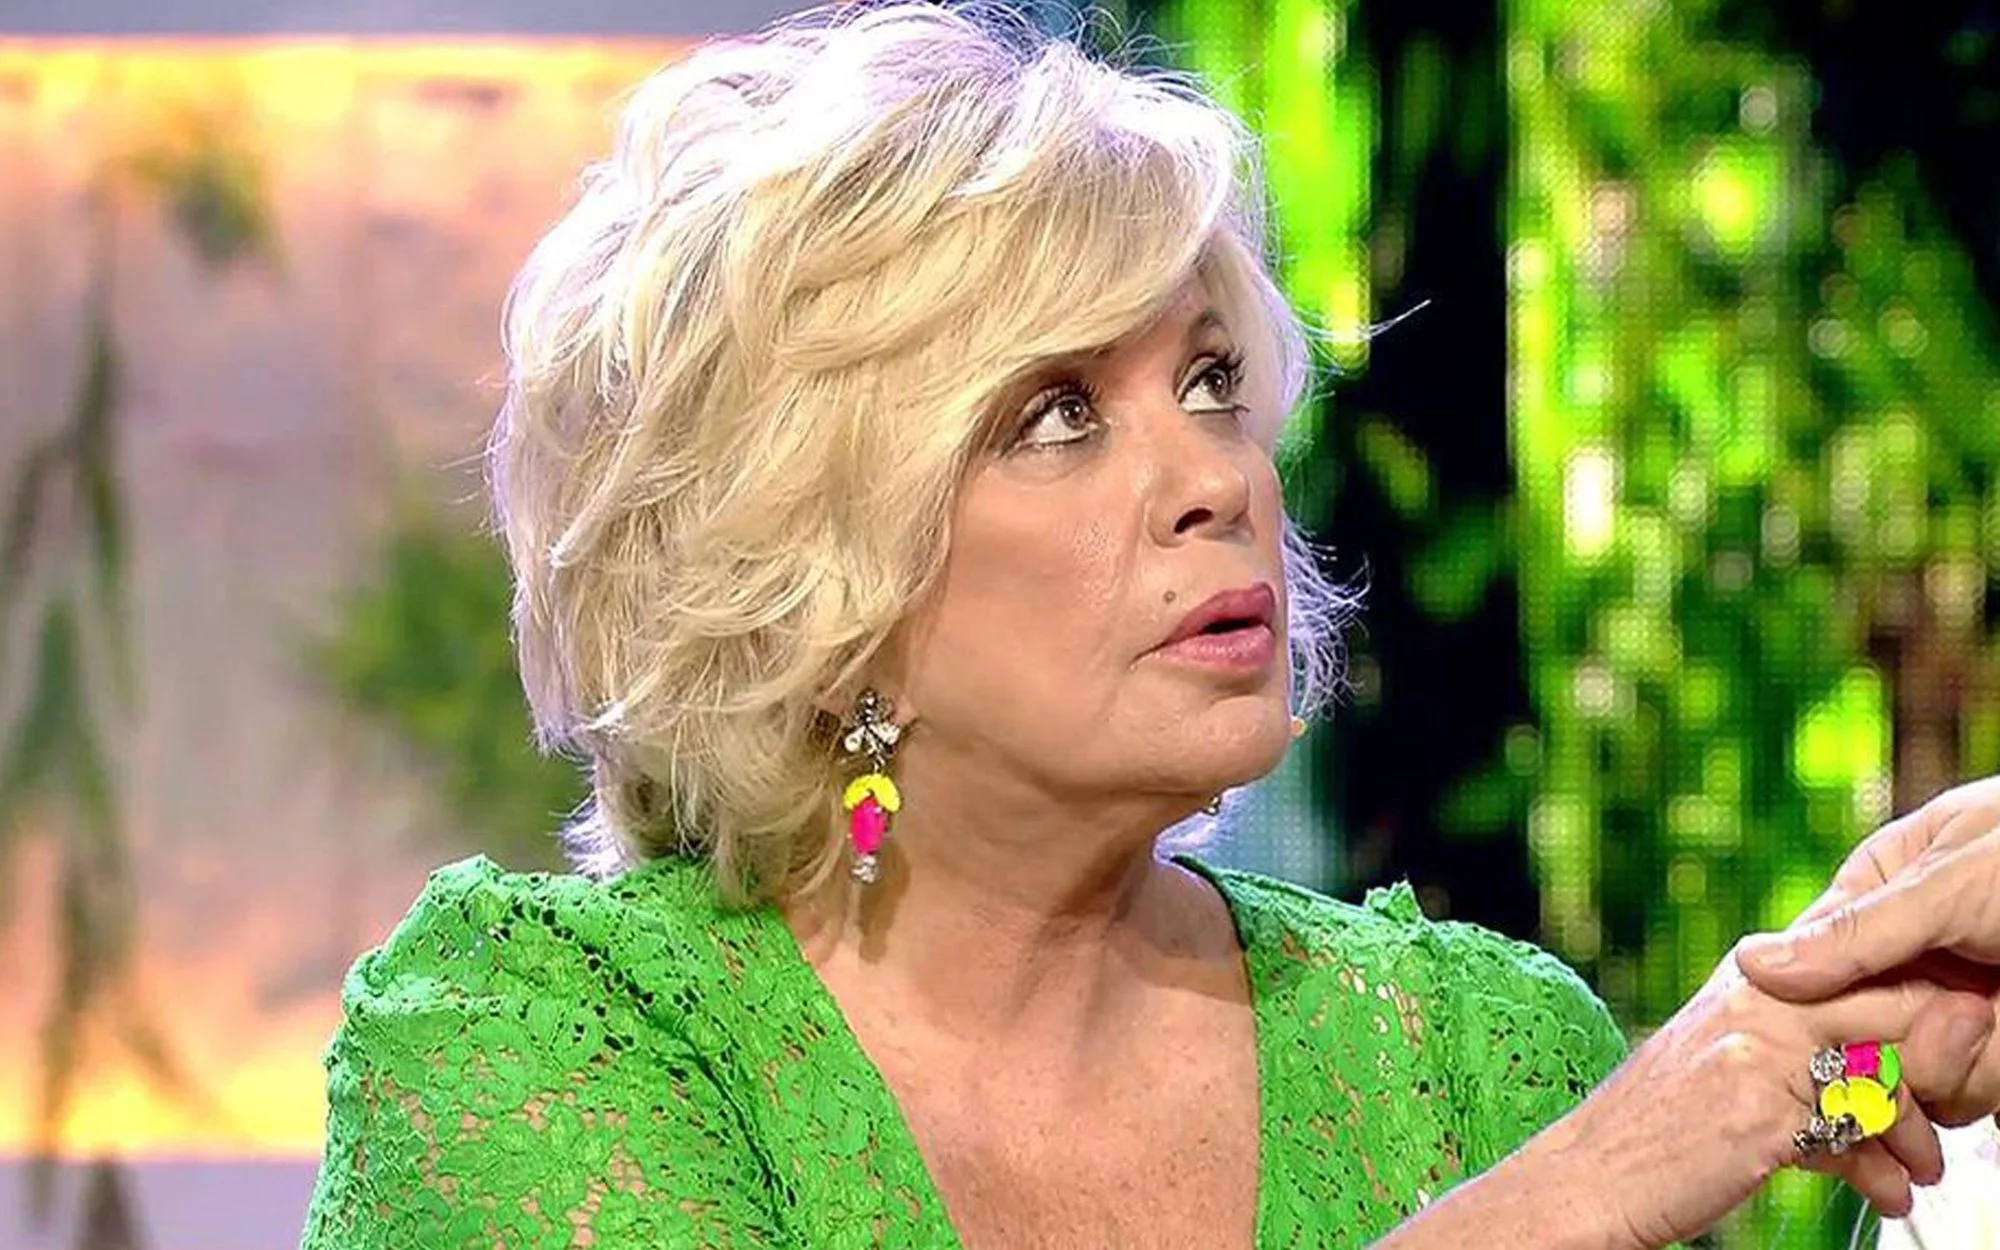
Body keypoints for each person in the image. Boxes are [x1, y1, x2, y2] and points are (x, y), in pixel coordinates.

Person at [296, 4, 2000, 1247]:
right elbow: (1600, 1179)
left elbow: (1799, 1120)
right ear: (808, 578)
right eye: (1055, 413)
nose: (1216, 477)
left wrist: (1861, 1055)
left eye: (1208, 379)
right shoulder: (535, 1047)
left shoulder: (1479, 1050)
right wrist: (1578, 1191)